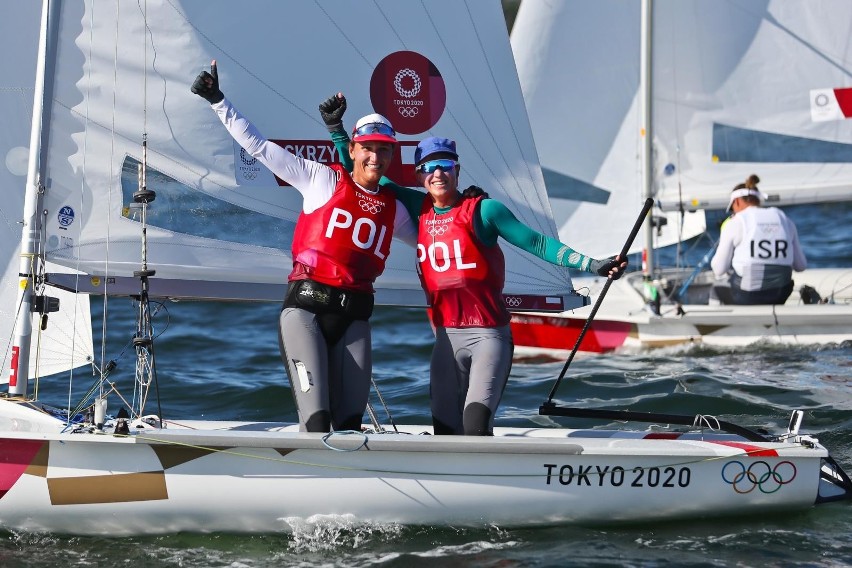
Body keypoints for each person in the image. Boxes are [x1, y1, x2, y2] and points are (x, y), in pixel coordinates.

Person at [319, 94, 627, 436]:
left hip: (488, 337)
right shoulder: (415, 207)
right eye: (429, 168)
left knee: (475, 425)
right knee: (445, 431)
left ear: (457, 171)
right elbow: (364, 170)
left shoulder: (484, 210)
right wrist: (336, 130)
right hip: (445, 340)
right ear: (419, 176)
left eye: (445, 166)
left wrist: (592, 263)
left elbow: (537, 242)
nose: (438, 173)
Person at [192, 62, 418, 433]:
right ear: (355, 148)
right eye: (368, 148)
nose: (376, 157)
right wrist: (216, 99)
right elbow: (259, 147)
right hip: (306, 314)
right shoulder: (320, 178)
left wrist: (468, 213)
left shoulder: (394, 210)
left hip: (355, 322)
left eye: (384, 150)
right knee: (316, 422)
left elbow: (436, 240)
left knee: (349, 425)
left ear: (392, 155)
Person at [710, 174, 807, 305]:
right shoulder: (785, 219)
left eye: (732, 209)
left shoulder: (736, 221)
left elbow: (719, 269)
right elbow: (801, 266)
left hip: (748, 295)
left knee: (716, 289)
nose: (733, 212)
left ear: (736, 202)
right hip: (781, 295)